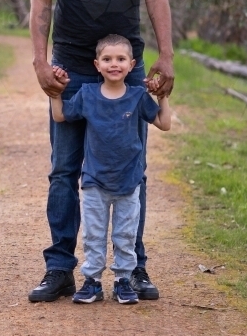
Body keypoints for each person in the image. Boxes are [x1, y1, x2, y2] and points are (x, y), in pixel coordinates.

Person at [28, 0, 176, 303]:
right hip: (72, 65)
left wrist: (166, 57)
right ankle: (60, 269)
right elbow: (41, 0)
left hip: (126, 65)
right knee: (64, 171)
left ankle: (135, 269)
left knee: (133, 170)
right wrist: (39, 60)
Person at [49, 35, 171, 304]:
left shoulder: (138, 96)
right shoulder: (88, 95)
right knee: (94, 234)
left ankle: (123, 281)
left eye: (120, 59)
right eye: (107, 59)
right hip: (95, 181)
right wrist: (56, 94)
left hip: (129, 182)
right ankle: (91, 282)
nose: (113, 64)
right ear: (97, 64)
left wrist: (161, 96)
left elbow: (164, 123)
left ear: (132, 64)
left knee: (124, 235)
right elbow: (61, 116)